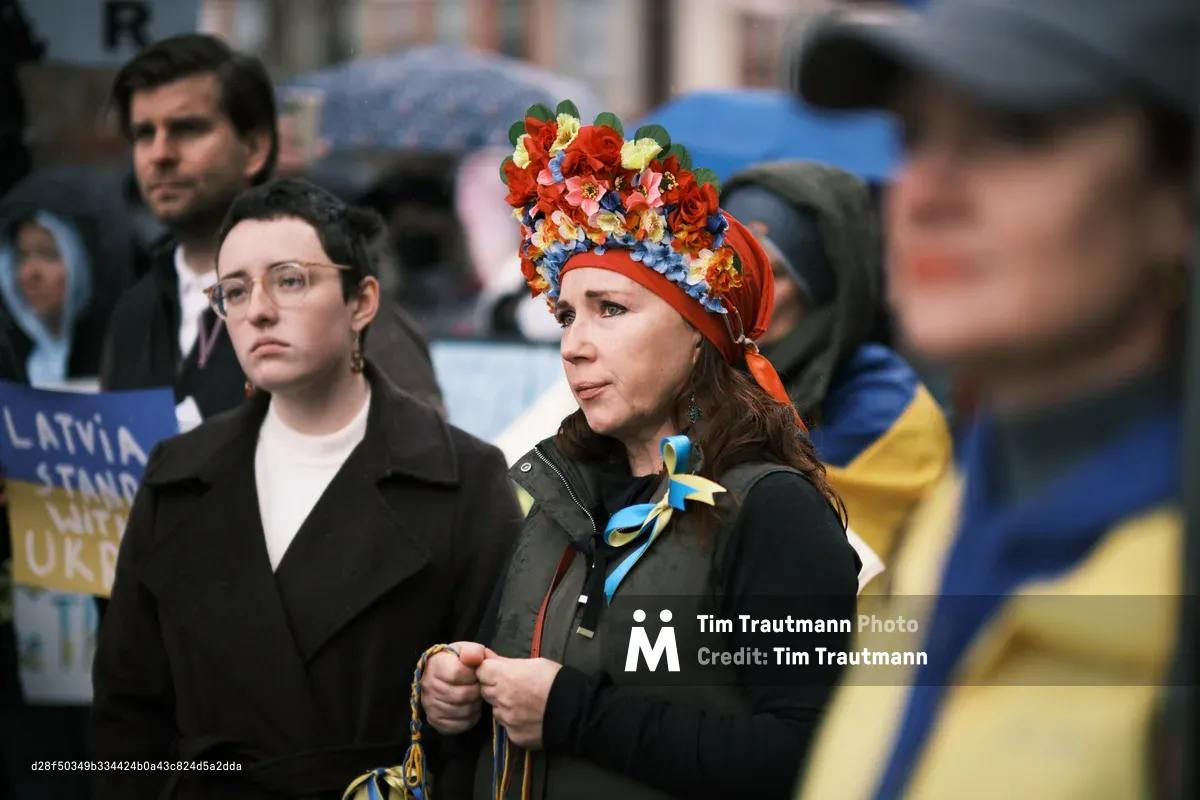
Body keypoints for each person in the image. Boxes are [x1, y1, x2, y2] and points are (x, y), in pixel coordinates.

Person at [787, 0, 1194, 796]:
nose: (927, 192)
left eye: (1018, 130)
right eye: (914, 136)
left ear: (1176, 194)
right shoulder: (967, 497)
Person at [414, 107, 861, 799]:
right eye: (566, 314)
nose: (573, 344)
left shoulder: (772, 512)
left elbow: (812, 755)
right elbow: (497, 707)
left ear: (698, 333)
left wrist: (574, 713)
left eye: (610, 309)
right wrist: (453, 695)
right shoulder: (558, 501)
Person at [89, 179, 523, 799]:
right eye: (233, 292)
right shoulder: (177, 474)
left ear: (361, 301)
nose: (258, 310)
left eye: (289, 280)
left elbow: (495, 729)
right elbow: (126, 712)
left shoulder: (464, 479)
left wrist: (457, 700)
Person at [99, 33, 444, 428]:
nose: (160, 153)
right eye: (144, 133)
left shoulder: (330, 297)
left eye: (187, 129)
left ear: (254, 149)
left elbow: (425, 459)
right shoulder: (134, 310)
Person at [720, 163, 951, 589]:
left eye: (773, 272)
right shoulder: (703, 377)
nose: (739, 289)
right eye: (725, 264)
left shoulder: (890, 417)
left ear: (827, 290)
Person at [0, 167, 140, 387]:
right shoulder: (10, 364)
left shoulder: (131, 359)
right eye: (20, 257)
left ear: (86, 264)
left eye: (48, 254)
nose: (29, 274)